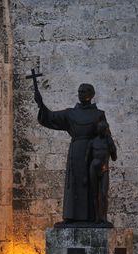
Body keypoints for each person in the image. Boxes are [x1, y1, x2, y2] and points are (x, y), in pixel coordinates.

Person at [34, 83, 109, 224]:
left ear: (91, 94)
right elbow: (50, 117)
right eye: (79, 91)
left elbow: (106, 137)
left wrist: (104, 159)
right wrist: (41, 104)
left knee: (91, 185)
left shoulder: (99, 115)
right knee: (74, 183)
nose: (81, 94)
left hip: (92, 154)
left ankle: (94, 217)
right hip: (76, 152)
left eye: (84, 91)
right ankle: (71, 216)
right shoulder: (70, 114)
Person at [85, 120, 117, 224]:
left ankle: (104, 217)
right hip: (93, 169)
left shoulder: (108, 141)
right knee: (95, 194)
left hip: (104, 169)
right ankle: (97, 217)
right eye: (100, 129)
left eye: (103, 129)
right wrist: (85, 175)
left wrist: (112, 148)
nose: (101, 131)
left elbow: (114, 158)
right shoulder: (93, 142)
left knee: (103, 193)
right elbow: (87, 159)